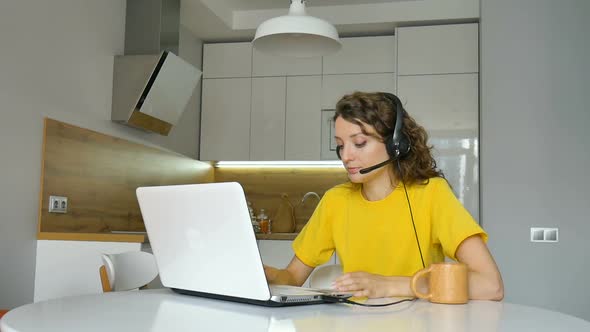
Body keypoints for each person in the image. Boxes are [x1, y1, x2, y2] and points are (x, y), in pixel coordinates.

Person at [264, 91, 504, 301]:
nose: (346, 156)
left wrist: (390, 285)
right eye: (340, 145)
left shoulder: (432, 194)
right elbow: (292, 278)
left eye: (359, 143)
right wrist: (264, 273)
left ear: (395, 144)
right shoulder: (335, 201)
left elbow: (490, 285)